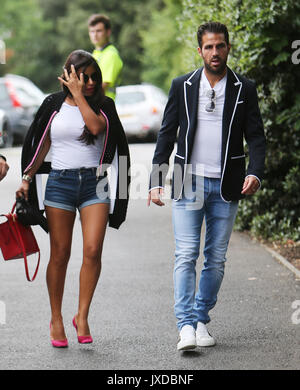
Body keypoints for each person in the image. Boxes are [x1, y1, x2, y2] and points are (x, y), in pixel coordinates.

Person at [148, 22, 266, 351]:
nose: (215, 52)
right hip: (188, 180)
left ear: (228, 48)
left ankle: (200, 318)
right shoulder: (182, 85)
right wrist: (157, 180)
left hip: (227, 184)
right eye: (209, 47)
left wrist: (255, 172)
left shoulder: (245, 87)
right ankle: (185, 326)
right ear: (199, 50)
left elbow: (256, 136)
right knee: (185, 254)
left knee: (215, 258)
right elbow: (166, 133)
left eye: (221, 46)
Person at [16, 50, 130, 348]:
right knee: (61, 253)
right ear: (69, 76)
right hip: (61, 183)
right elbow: (41, 144)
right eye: (83, 76)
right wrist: (27, 178)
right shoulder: (52, 105)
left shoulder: (105, 105)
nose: (90, 81)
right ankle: (55, 318)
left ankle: (82, 315)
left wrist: (79, 94)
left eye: (94, 76)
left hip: (96, 183)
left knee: (92, 250)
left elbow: (95, 128)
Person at [88, 14, 123, 100]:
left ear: (108, 32)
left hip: (103, 107)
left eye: (98, 31)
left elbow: (102, 87)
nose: (95, 35)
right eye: (92, 31)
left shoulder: (111, 54)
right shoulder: (96, 53)